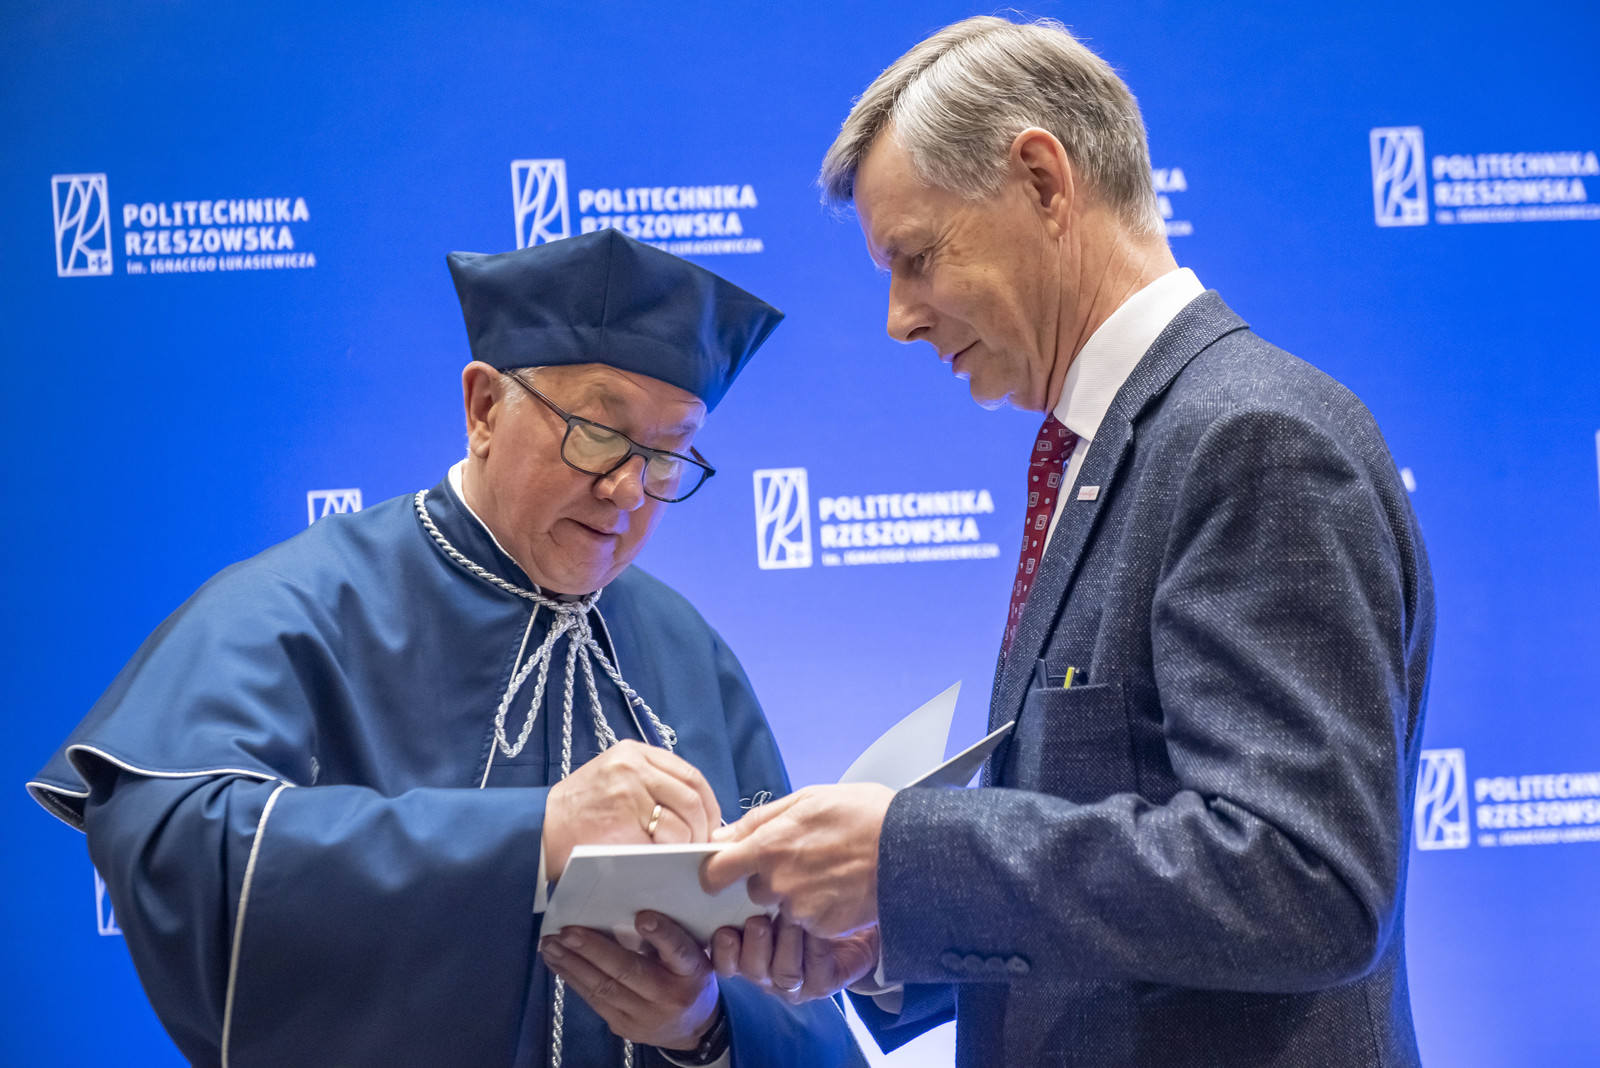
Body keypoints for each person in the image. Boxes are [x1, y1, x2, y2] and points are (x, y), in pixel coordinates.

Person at [704, 15, 1435, 1067]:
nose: (898, 318)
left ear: (1043, 182)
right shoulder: (1121, 444)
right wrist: (890, 928)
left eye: (916, 258)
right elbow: (1120, 869)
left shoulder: (1252, 438)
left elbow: (1302, 879)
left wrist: (904, 854)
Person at [29, 229, 864, 1068]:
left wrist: (703, 1027)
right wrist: (534, 837)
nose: (624, 488)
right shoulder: (301, 606)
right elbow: (179, 846)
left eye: (667, 455)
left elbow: (794, 975)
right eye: (595, 432)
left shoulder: (684, 646)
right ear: (484, 408)